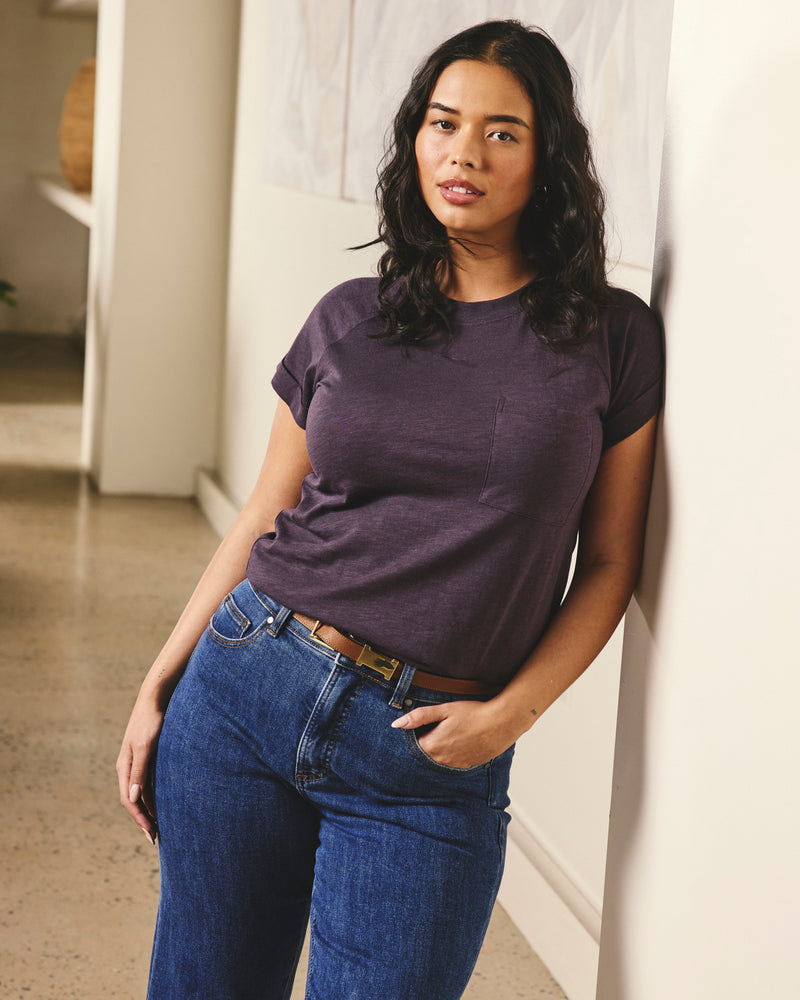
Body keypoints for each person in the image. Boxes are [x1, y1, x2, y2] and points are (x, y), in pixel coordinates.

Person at [117, 19, 663, 1000]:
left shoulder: (609, 336)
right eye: (442, 122)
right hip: (245, 687)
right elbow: (258, 519)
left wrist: (508, 715)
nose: (462, 152)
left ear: (548, 158)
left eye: (501, 131)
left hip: (425, 756)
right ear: (414, 138)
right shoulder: (346, 315)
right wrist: (161, 680)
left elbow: (613, 561)